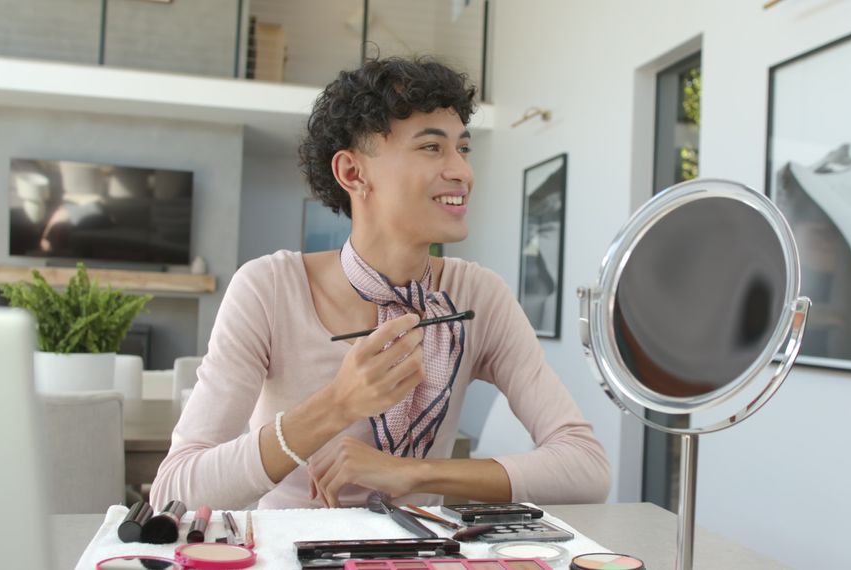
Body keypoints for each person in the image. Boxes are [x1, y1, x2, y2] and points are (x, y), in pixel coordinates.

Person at [150, 56, 610, 510]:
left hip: (420, 556)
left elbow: (587, 469)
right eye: (432, 147)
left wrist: (414, 473)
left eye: (463, 148)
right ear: (353, 173)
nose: (463, 172)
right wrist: (336, 405)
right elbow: (175, 490)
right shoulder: (268, 289)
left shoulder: (478, 296)